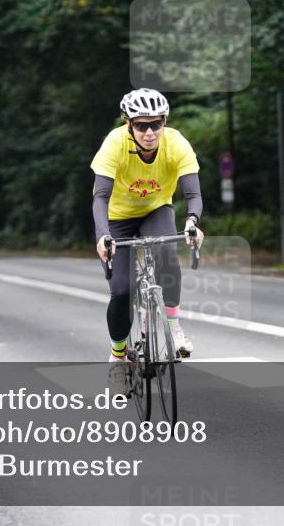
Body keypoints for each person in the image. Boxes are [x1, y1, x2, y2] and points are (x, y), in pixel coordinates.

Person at [91, 88, 204, 395]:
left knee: (168, 252)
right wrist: (103, 234)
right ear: (129, 124)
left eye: (156, 123)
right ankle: (117, 358)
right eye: (141, 125)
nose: (150, 132)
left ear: (164, 121)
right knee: (123, 291)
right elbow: (100, 197)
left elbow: (192, 194)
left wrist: (193, 222)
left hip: (155, 210)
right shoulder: (114, 143)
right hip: (117, 219)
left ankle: (174, 326)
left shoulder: (176, 142)